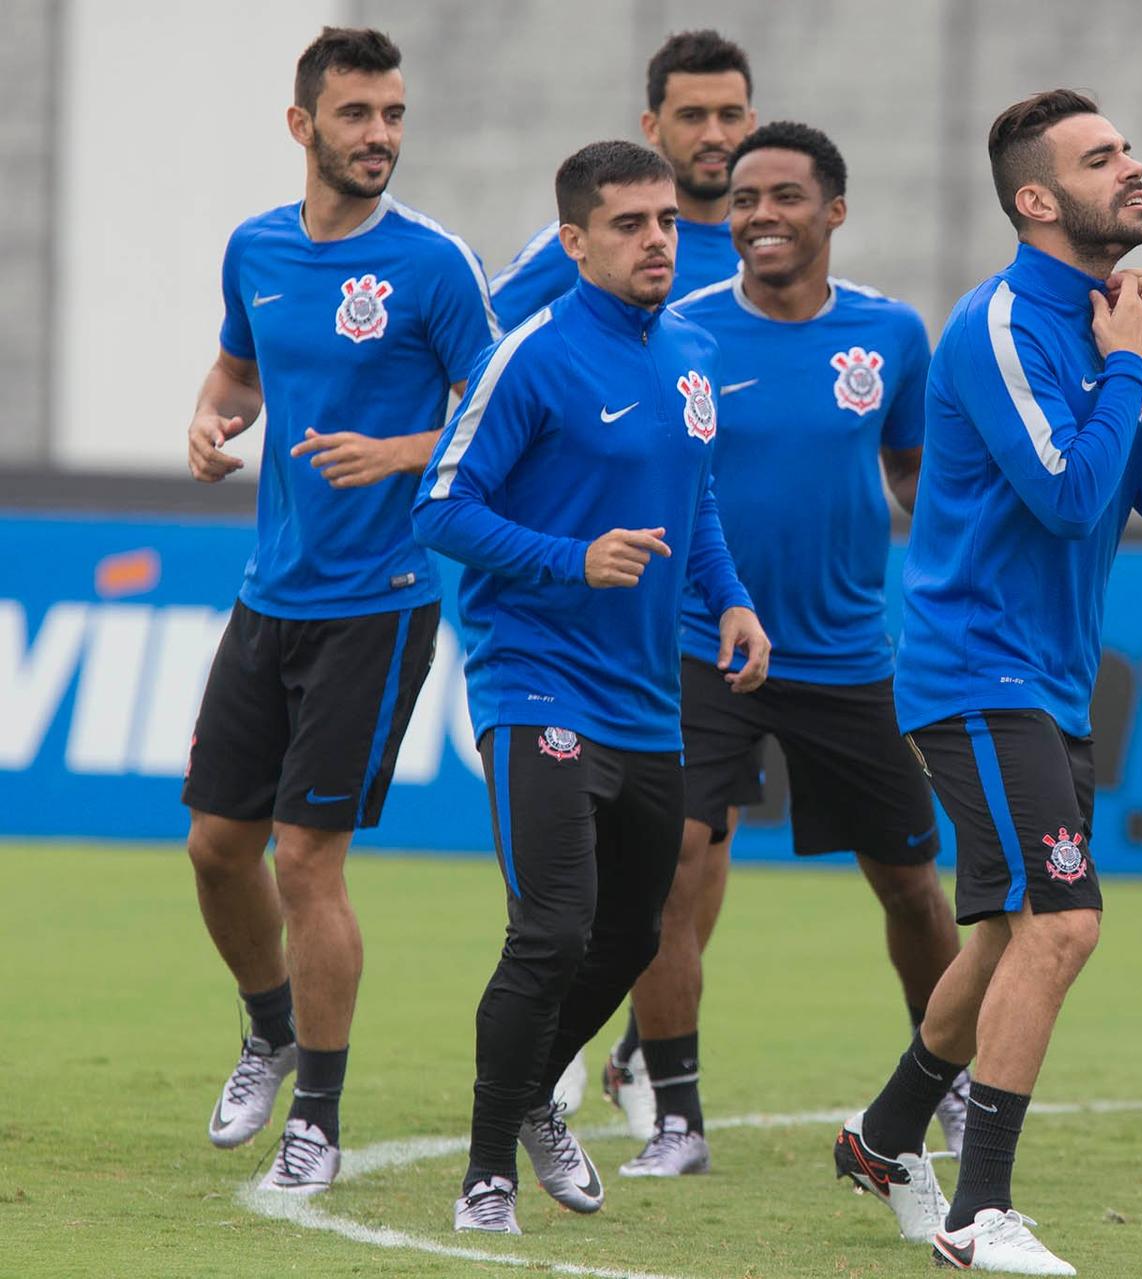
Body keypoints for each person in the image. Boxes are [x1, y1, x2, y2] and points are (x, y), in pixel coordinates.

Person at [831, 90, 1142, 1275]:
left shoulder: (1117, 326)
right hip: (976, 670)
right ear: (1037, 199)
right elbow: (1064, 490)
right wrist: (1125, 372)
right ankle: (976, 1213)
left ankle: (886, 1137)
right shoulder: (998, 321)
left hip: (1044, 677)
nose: (1135, 165)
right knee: (1066, 921)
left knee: (1001, 936)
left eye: (1131, 145)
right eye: (1104, 157)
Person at [413, 140, 771, 1236]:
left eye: (664, 220)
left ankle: (531, 1089)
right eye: (629, 224)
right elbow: (439, 507)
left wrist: (733, 599)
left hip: (646, 697)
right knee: (554, 930)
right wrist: (573, 558)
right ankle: (486, 1176)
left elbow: (693, 503)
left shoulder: (696, 352)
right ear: (575, 241)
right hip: (536, 684)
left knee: (632, 934)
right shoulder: (532, 356)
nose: (656, 239)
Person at [613, 121, 967, 1180]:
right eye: (745, 199)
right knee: (672, 864)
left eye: (785, 197)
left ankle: (944, 1087)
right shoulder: (680, 329)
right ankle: (676, 1114)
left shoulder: (894, 334)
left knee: (910, 882)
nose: (759, 215)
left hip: (848, 654)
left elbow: (916, 476)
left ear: (834, 212)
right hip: (701, 644)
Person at [182, 26, 498, 1195]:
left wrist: (404, 450)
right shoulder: (254, 248)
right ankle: (268, 1026)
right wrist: (212, 421)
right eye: (358, 114)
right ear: (302, 125)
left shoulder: (433, 265)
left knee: (307, 859)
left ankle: (316, 1114)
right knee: (218, 849)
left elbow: (499, 410)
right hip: (271, 593)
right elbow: (239, 369)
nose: (381, 136)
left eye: (396, 115)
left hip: (382, 600)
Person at [489, 29, 753, 329]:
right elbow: (476, 343)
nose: (713, 136)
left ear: (751, 125)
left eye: (730, 115)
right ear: (652, 127)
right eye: (691, 116)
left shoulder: (767, 248)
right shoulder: (586, 241)